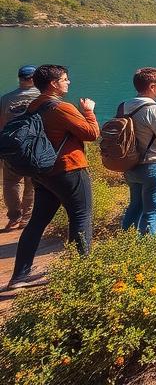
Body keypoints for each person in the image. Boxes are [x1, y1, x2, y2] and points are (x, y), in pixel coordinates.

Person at [6, 65, 100, 291]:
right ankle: (80, 274)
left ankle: (20, 275)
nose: (68, 83)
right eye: (65, 79)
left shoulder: (35, 105)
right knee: (81, 216)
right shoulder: (62, 107)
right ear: (53, 84)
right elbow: (91, 134)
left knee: (37, 221)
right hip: (68, 169)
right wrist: (88, 111)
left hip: (43, 172)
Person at [119, 68, 156, 236]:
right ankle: (146, 252)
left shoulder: (124, 106)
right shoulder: (155, 110)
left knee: (135, 206)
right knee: (153, 211)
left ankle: (125, 244)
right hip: (154, 165)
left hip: (130, 164)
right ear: (152, 87)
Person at [1, 65, 40, 231]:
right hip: (34, 146)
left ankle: (14, 216)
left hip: (10, 146)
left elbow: (1, 124)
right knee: (31, 183)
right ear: (33, 79)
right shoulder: (42, 97)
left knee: (10, 182)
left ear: (20, 78)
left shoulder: (6, 99)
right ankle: (27, 217)